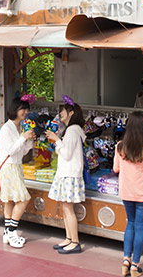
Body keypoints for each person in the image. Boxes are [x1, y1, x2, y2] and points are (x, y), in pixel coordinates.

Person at [113, 111, 143, 277]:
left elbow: (116, 169)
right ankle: (135, 266)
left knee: (130, 223)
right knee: (140, 227)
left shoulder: (120, 146)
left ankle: (125, 260)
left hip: (126, 192)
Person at [45, 100, 86, 254]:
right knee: (65, 207)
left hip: (69, 174)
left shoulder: (73, 130)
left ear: (71, 113)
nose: (60, 113)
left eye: (63, 110)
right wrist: (58, 141)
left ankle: (75, 242)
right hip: (67, 173)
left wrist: (57, 140)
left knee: (68, 209)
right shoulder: (72, 130)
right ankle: (69, 238)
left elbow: (67, 154)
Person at [0, 97, 36, 248]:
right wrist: (23, 138)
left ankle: (7, 232)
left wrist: (29, 141)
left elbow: (22, 151)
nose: (25, 112)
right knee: (24, 198)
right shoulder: (6, 128)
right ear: (15, 109)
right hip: (8, 167)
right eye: (22, 109)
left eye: (27, 109)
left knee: (10, 200)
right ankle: (13, 231)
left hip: (16, 166)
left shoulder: (20, 127)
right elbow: (11, 150)